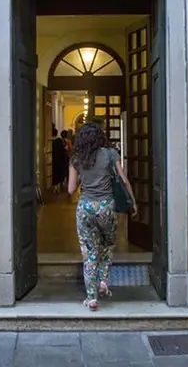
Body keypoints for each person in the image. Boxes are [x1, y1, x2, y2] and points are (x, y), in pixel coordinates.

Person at [67, 122, 137, 311]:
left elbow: (71, 189)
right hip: (107, 206)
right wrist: (133, 201)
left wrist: (84, 176)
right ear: (100, 137)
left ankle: (91, 298)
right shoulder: (110, 154)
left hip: (85, 208)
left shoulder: (76, 159)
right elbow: (123, 179)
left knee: (89, 252)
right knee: (107, 246)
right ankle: (103, 281)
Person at [51, 128, 67, 194]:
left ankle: (54, 188)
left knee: (54, 175)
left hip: (52, 160)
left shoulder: (49, 141)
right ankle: (57, 188)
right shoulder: (59, 141)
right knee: (59, 174)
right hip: (60, 161)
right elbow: (63, 151)